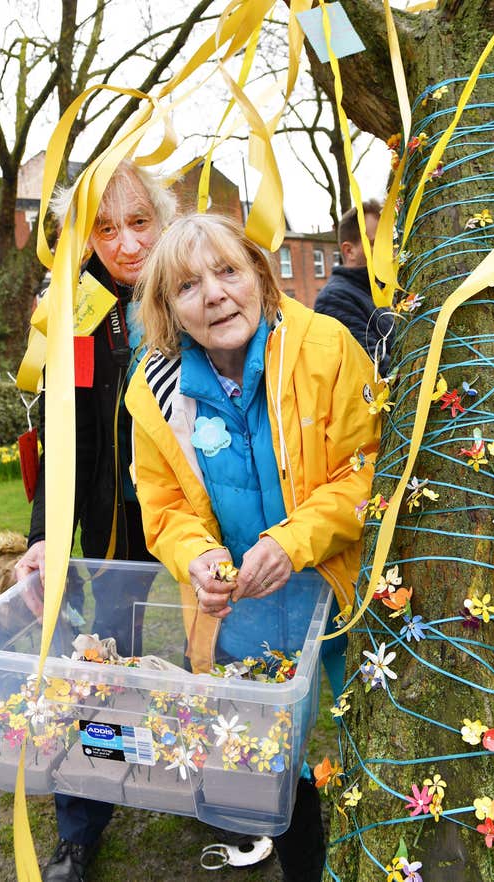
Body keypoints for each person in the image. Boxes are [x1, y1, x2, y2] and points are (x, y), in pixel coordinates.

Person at [126, 214, 380, 882]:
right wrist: (197, 557)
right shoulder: (156, 394)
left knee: (368, 741)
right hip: (240, 614)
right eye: (186, 286)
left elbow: (367, 470)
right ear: (167, 310)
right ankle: (302, 865)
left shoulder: (324, 346)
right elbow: (164, 506)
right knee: (269, 757)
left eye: (228, 271)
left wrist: (294, 542)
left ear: (262, 279)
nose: (212, 294)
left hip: (345, 599)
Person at [14, 159, 177, 882]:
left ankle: (245, 794)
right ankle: (85, 818)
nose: (126, 244)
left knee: (234, 654)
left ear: (165, 220)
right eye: (105, 228)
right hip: (119, 521)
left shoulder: (202, 281)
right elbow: (67, 434)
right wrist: (45, 534)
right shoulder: (79, 310)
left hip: (217, 519)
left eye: (140, 222)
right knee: (99, 663)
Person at [314, 199, 395, 376]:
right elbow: (375, 368)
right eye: (374, 243)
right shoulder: (335, 300)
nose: (386, 248)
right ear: (349, 251)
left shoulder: (377, 290)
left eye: (386, 240)